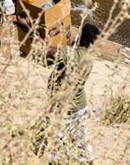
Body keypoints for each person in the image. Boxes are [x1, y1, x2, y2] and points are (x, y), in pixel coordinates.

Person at [42, 22, 100, 164]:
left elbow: (46, 51)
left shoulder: (71, 54)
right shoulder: (88, 56)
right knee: (82, 142)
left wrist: (33, 29)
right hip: (80, 106)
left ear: (80, 36)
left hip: (64, 108)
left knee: (54, 143)